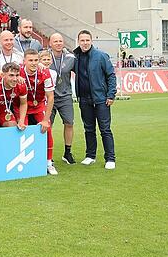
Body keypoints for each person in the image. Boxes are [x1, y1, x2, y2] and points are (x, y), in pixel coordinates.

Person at [72, 30, 116, 169]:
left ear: (91, 41)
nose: (85, 43)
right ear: (78, 41)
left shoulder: (101, 56)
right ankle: (90, 156)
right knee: (89, 129)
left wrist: (111, 94)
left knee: (105, 129)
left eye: (87, 40)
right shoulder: (75, 57)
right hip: (84, 99)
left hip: (101, 99)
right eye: (82, 40)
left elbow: (111, 76)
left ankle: (110, 158)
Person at [19, 49, 57, 175]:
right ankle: (21, 160)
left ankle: (48, 162)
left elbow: (50, 97)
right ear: (24, 61)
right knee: (20, 129)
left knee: (48, 129)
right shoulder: (17, 72)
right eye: (30, 60)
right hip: (20, 106)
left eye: (36, 60)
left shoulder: (44, 73)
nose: (34, 63)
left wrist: (46, 120)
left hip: (38, 105)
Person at [46, 34, 77, 165]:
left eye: (60, 41)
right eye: (55, 41)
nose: (58, 43)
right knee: (48, 126)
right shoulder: (45, 57)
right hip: (49, 96)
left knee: (69, 123)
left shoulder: (70, 58)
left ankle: (67, 152)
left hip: (65, 95)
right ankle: (47, 154)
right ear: (50, 43)